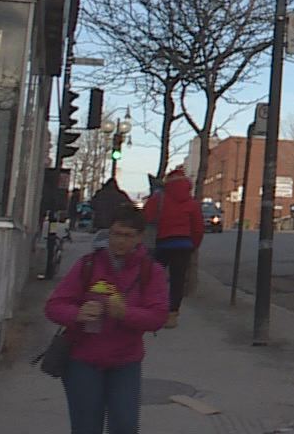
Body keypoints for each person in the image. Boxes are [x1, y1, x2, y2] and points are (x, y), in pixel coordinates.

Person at [45, 205, 169, 434]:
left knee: (124, 425)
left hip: (125, 362)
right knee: (85, 427)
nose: (120, 241)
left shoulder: (151, 272)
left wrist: (125, 313)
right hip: (83, 360)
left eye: (128, 236)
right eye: (115, 234)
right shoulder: (88, 265)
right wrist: (77, 314)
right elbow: (54, 306)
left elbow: (158, 316)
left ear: (139, 238)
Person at [142, 168, 204, 328]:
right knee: (178, 280)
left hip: (161, 243)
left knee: (152, 276)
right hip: (183, 244)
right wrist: (193, 245)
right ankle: (172, 315)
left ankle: (151, 307)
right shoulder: (192, 203)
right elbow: (198, 228)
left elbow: (145, 217)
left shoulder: (158, 199)